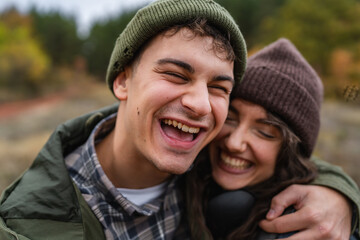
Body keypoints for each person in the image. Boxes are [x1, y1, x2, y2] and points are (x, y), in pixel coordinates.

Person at [0, 0, 357, 239]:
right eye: (175, 75)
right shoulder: (26, 226)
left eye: (219, 87)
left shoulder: (211, 169)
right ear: (123, 80)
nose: (201, 104)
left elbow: (292, 164)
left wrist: (341, 197)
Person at [185, 38, 360, 239]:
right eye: (230, 119)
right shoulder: (181, 168)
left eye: (265, 132)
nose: (234, 143)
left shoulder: (311, 229)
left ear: (291, 153)